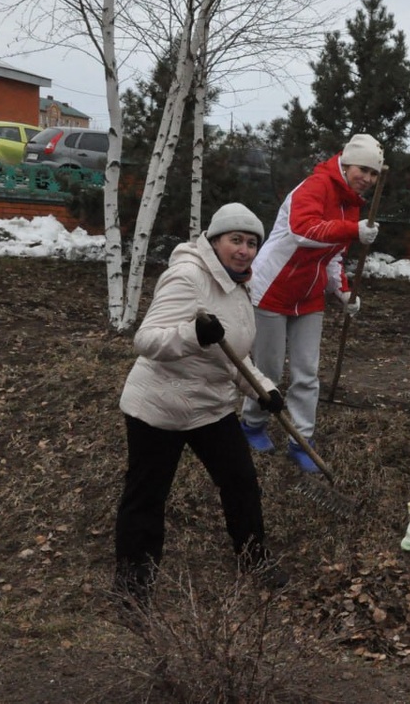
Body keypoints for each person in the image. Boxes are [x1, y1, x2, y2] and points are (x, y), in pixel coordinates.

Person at [113, 203, 288, 605]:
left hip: (210, 406)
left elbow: (232, 354)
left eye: (251, 243)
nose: (244, 250)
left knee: (240, 482)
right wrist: (192, 335)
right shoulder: (188, 276)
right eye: (235, 240)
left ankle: (254, 558)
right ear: (214, 240)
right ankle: (133, 585)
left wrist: (262, 388)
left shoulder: (239, 284)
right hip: (159, 406)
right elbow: (146, 340)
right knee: (147, 494)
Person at [239, 134, 382, 472]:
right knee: (269, 369)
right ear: (346, 163)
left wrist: (342, 291)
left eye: (374, 173)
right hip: (271, 290)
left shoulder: (351, 204)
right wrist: (351, 230)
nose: (367, 178)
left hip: (309, 297)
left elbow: (333, 256)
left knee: (306, 372)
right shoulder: (315, 186)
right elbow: (302, 230)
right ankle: (252, 424)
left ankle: (302, 440)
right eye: (363, 169)